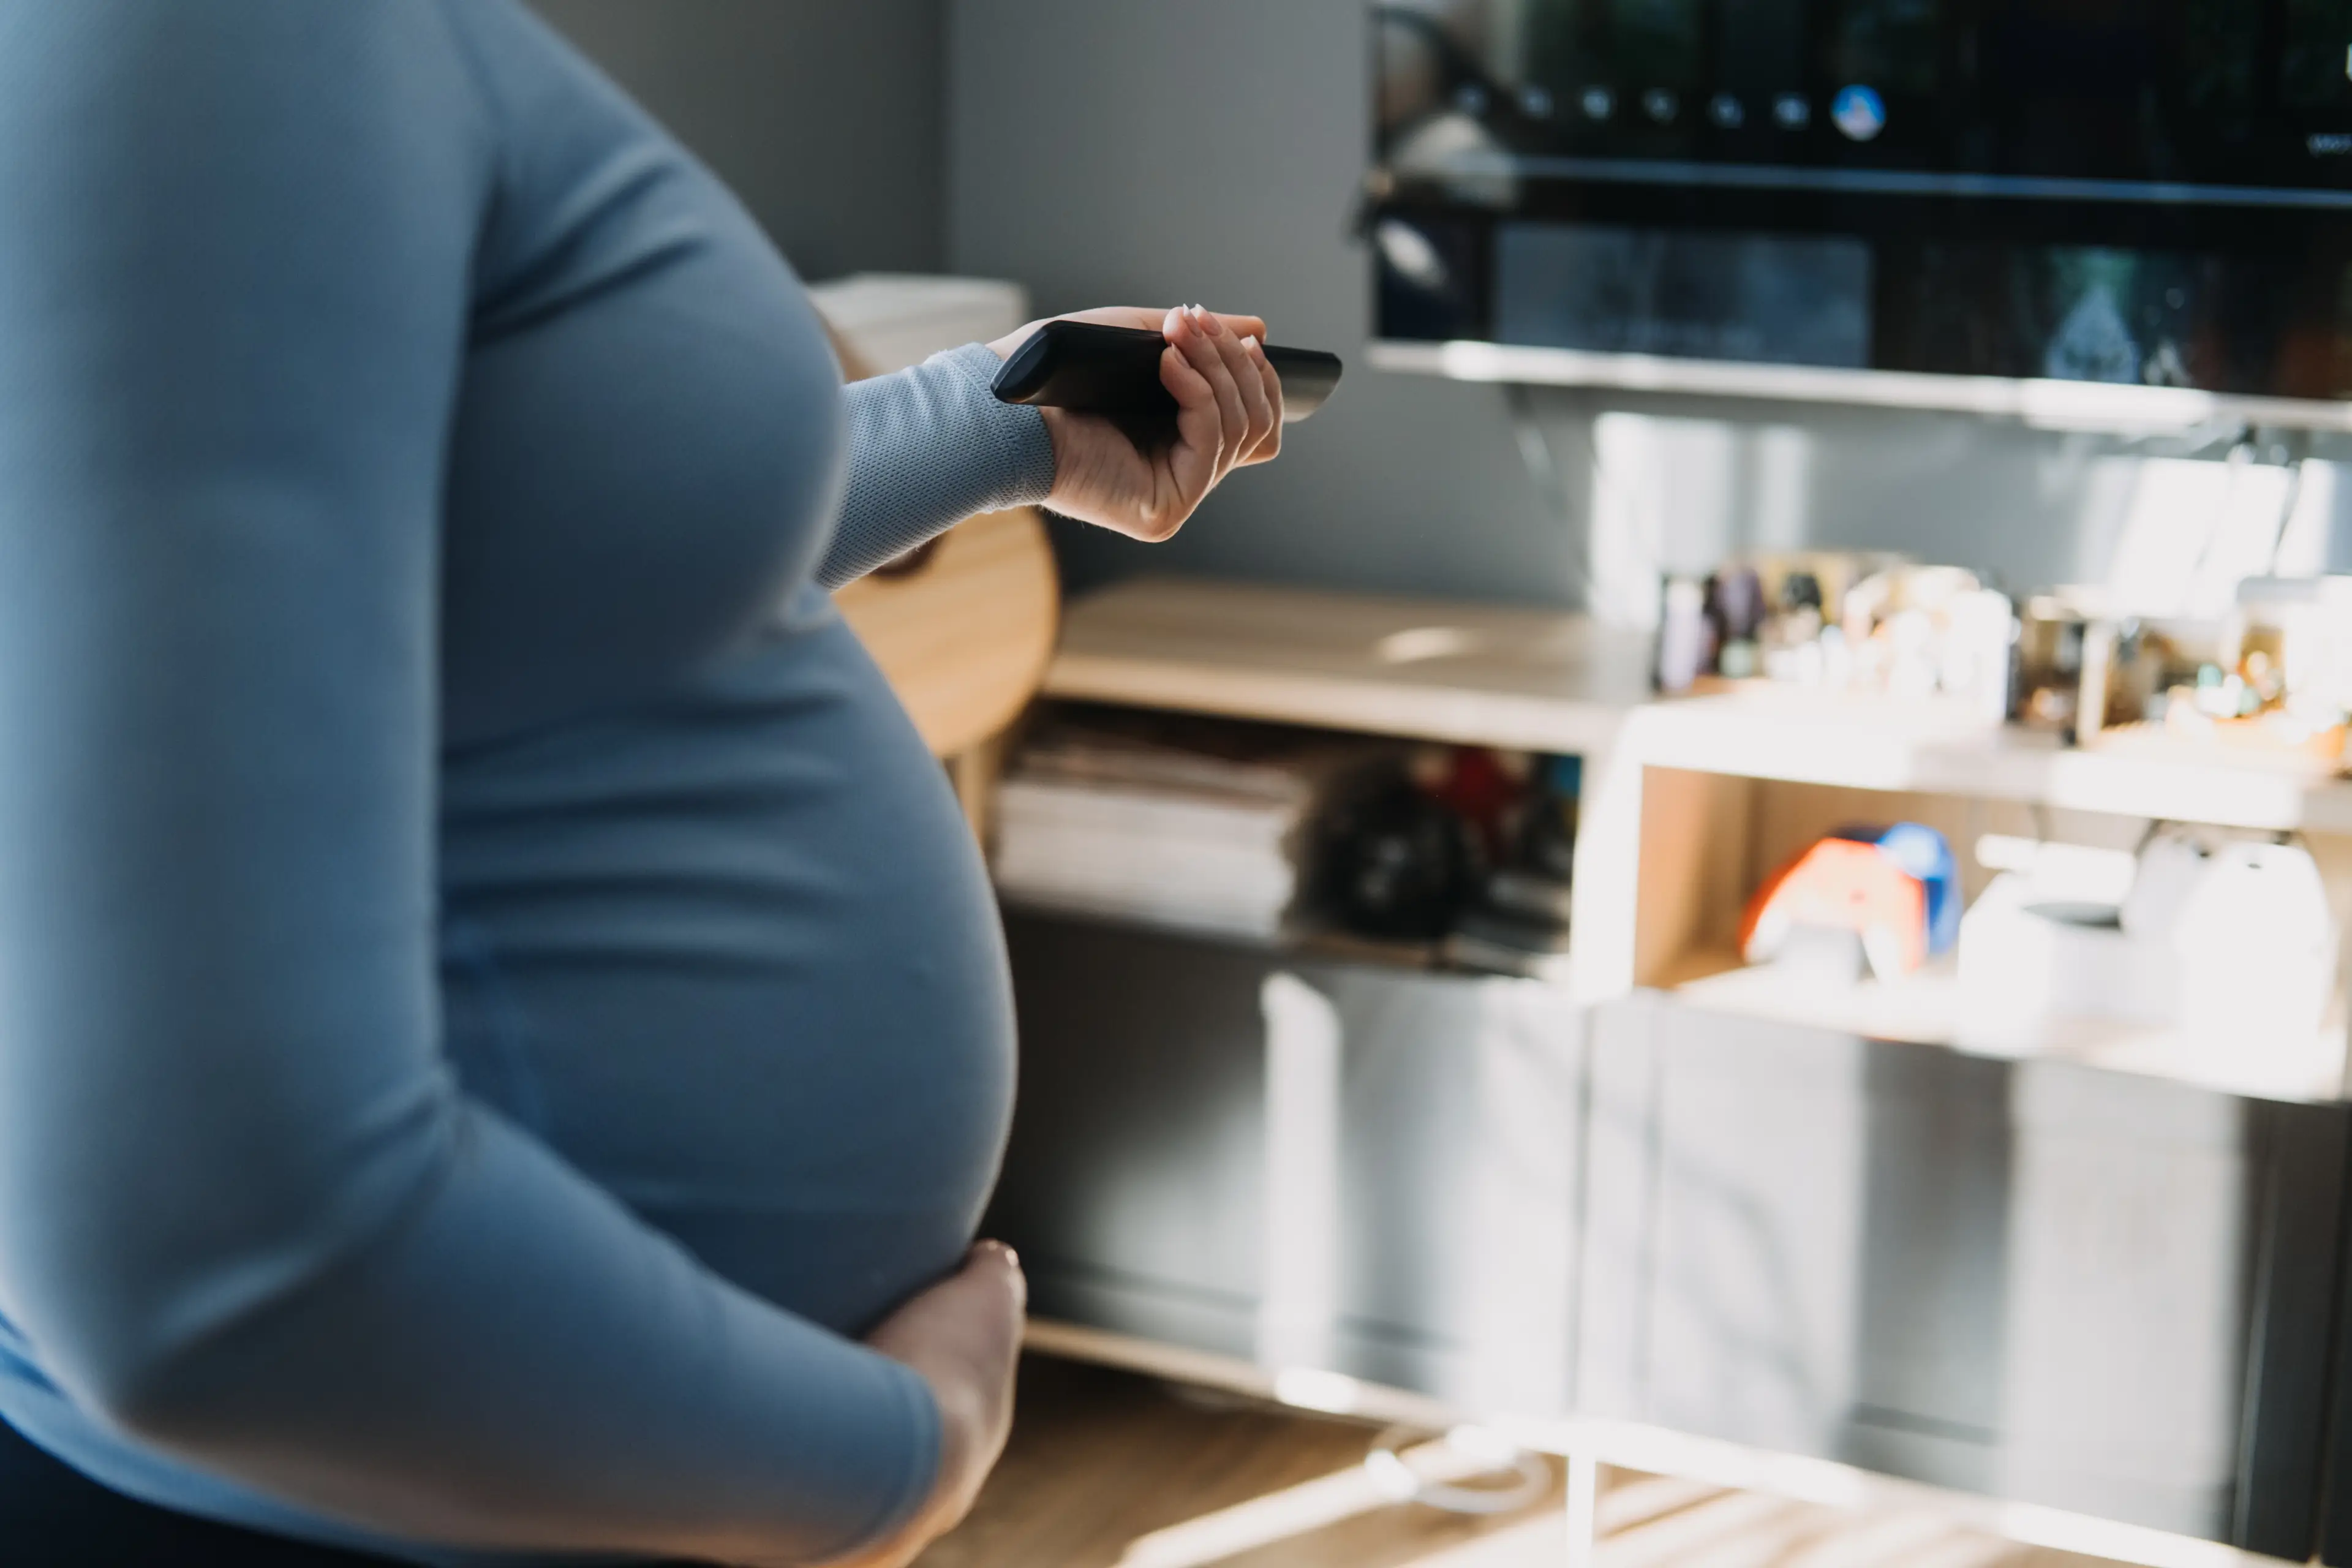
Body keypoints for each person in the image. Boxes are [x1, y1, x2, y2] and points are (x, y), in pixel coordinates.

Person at [0, 3, 1286, 1564]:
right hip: (363, 1504)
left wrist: (1010, 430)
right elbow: (200, 1247)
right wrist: (900, 1461)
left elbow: (535, 553)